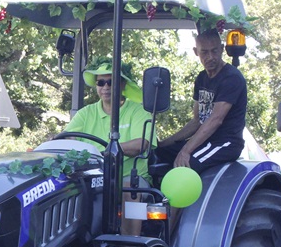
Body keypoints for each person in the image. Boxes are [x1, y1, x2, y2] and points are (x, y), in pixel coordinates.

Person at [66, 57, 154, 234]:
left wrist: (103, 152)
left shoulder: (138, 111)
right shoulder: (86, 113)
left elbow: (142, 143)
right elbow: (68, 140)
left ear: (122, 85)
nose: (105, 87)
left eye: (110, 82)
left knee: (130, 191)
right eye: (101, 82)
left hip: (130, 177)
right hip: (91, 178)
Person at [157, 29, 248, 173]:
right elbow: (197, 121)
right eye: (204, 52)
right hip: (205, 142)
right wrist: (161, 144)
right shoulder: (201, 78)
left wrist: (186, 151)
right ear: (196, 52)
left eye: (214, 51)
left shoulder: (231, 78)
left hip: (225, 144)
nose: (210, 57)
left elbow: (215, 119)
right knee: (159, 155)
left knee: (186, 166)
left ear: (222, 49)